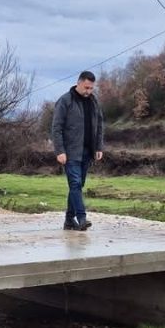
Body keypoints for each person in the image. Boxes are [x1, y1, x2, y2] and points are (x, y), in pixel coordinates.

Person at [51, 70, 104, 231]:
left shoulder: (93, 102)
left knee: (77, 186)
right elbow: (56, 127)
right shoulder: (65, 101)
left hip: (87, 151)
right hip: (70, 151)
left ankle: (68, 220)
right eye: (86, 87)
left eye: (91, 88)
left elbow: (100, 125)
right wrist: (60, 150)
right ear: (79, 82)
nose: (88, 91)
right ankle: (82, 218)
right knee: (75, 184)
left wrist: (99, 146)